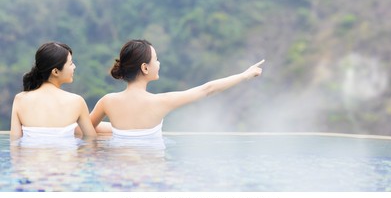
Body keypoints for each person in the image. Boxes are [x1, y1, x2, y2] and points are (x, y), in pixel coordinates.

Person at [90, 39, 264, 138]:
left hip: (119, 173)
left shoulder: (108, 101)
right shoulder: (161, 102)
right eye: (156, 59)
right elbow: (207, 89)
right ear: (145, 68)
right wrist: (244, 76)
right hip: (152, 173)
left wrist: (116, 130)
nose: (159, 63)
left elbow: (82, 129)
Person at [10, 42, 97, 140]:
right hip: (66, 155)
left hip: (31, 155)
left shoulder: (20, 99)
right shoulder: (77, 101)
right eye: (71, 63)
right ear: (55, 71)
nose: (74, 67)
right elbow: (91, 141)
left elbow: (15, 144)